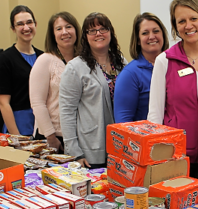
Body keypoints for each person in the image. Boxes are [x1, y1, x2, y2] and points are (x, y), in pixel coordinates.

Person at [148, 0, 198, 179]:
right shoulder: (164, 60)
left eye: (193, 18)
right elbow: (155, 115)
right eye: (181, 21)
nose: (188, 26)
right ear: (175, 26)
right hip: (176, 159)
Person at [59, 12, 126, 168]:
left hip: (121, 148)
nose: (98, 34)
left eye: (103, 29)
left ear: (111, 32)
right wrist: (75, 153)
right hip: (90, 151)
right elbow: (67, 112)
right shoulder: (75, 68)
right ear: (85, 36)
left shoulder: (121, 62)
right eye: (92, 30)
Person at [29, 12, 81, 152]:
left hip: (78, 136)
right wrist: (50, 137)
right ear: (53, 35)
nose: (65, 32)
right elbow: (37, 103)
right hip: (51, 137)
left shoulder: (83, 61)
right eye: (59, 29)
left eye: (68, 27)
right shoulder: (45, 60)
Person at [0, 5, 43, 136]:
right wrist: (17, 137)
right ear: (13, 29)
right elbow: (3, 103)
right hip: (20, 125)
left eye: (29, 22)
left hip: (43, 124)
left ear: (35, 24)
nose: (26, 28)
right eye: (20, 24)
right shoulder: (5, 59)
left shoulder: (43, 57)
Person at [114, 13, 169, 123]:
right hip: (148, 138)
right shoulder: (129, 74)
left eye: (156, 31)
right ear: (138, 40)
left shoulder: (174, 65)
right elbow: (123, 124)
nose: (152, 36)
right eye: (145, 33)